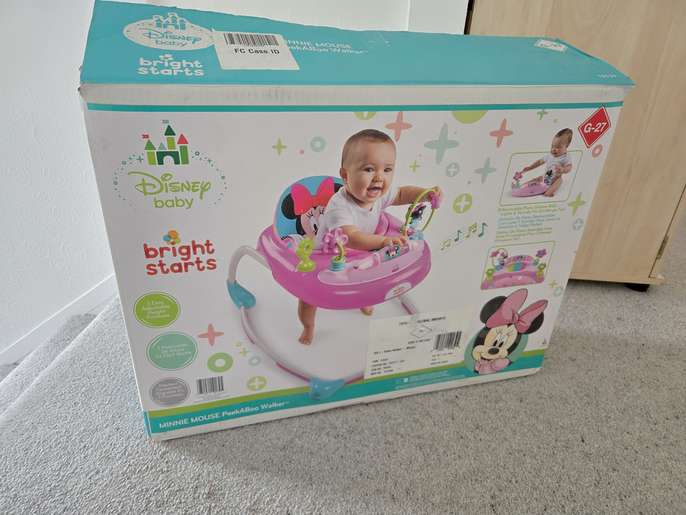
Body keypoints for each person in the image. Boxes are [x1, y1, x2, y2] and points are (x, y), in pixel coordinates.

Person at [298, 129, 442, 344]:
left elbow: (402, 194)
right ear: (345, 175)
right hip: (330, 257)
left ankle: (364, 299)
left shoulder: (377, 195)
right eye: (369, 169)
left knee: (369, 281)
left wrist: (426, 194)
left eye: (387, 169)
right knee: (309, 296)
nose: (379, 177)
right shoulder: (339, 207)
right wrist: (384, 242)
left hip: (363, 254)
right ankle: (308, 327)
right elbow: (352, 237)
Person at [518, 128, 573, 197]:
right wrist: (530, 167)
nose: (554, 149)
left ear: (566, 146)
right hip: (547, 176)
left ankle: (549, 192)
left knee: (559, 181)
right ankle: (521, 187)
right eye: (552, 146)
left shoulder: (566, 157)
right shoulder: (550, 155)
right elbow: (539, 162)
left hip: (556, 178)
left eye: (558, 147)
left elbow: (569, 167)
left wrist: (563, 169)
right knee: (537, 179)